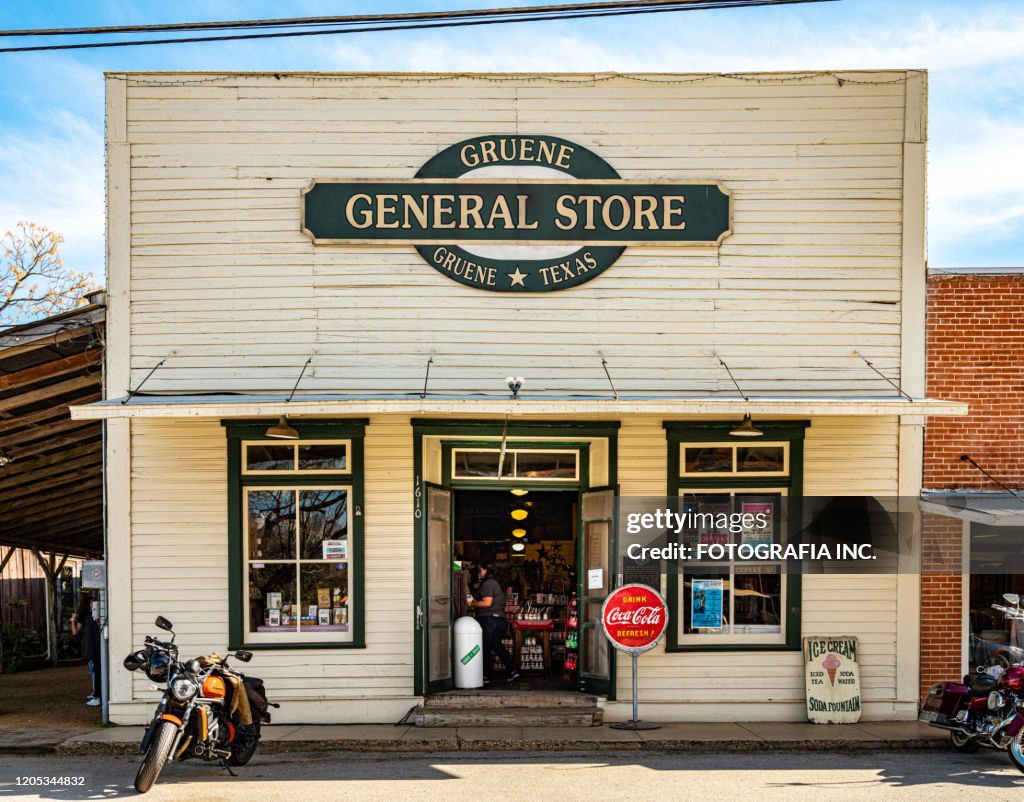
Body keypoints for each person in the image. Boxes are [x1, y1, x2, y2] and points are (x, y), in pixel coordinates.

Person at [467, 563, 519, 683]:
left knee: (485, 647)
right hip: (499, 619)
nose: (479, 572)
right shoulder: (498, 583)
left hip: (489, 619)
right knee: (496, 645)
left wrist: (472, 604)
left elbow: (487, 603)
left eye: (480, 570)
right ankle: (513, 671)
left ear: (486, 570)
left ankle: (484, 676)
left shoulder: (489, 582)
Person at [70, 594, 101, 706]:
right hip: (91, 647)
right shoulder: (86, 616)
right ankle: (96, 694)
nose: (95, 604)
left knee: (96, 672)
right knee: (94, 672)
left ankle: (97, 694)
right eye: (93, 602)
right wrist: (73, 620)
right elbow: (75, 632)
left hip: (95, 647)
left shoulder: (98, 615)